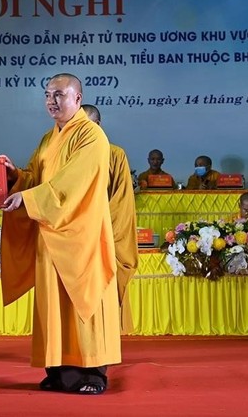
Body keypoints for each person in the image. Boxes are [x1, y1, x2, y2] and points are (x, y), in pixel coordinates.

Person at [0, 74, 121, 395]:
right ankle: (58, 371)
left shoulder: (92, 136)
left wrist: (28, 198)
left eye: (60, 95)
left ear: (78, 99)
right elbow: (36, 177)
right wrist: (15, 176)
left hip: (82, 234)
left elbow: (74, 183)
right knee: (54, 304)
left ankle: (93, 373)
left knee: (84, 301)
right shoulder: (48, 138)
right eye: (48, 95)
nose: (52, 101)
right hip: (50, 234)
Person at [83, 104, 139, 332]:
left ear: (98, 125)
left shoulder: (114, 154)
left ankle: (104, 339)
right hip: (73, 236)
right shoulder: (65, 153)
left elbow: (121, 201)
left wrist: (98, 228)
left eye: (85, 125)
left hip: (102, 234)